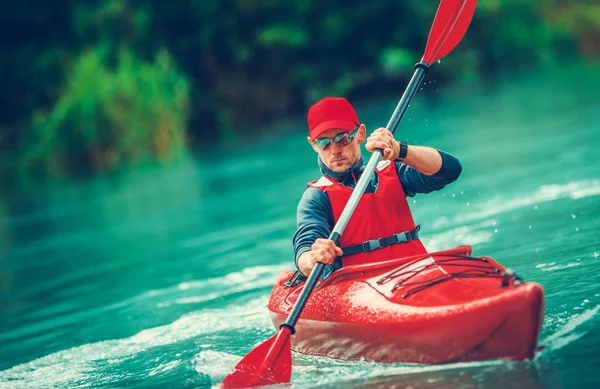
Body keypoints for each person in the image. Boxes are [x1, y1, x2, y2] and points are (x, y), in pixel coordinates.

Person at [292, 96, 462, 278]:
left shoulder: (393, 171)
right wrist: (313, 258)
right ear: (313, 145)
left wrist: (400, 150)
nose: (335, 151)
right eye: (324, 142)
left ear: (360, 134)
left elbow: (450, 170)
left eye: (343, 139)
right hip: (362, 288)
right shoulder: (316, 197)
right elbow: (304, 251)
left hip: (417, 273)